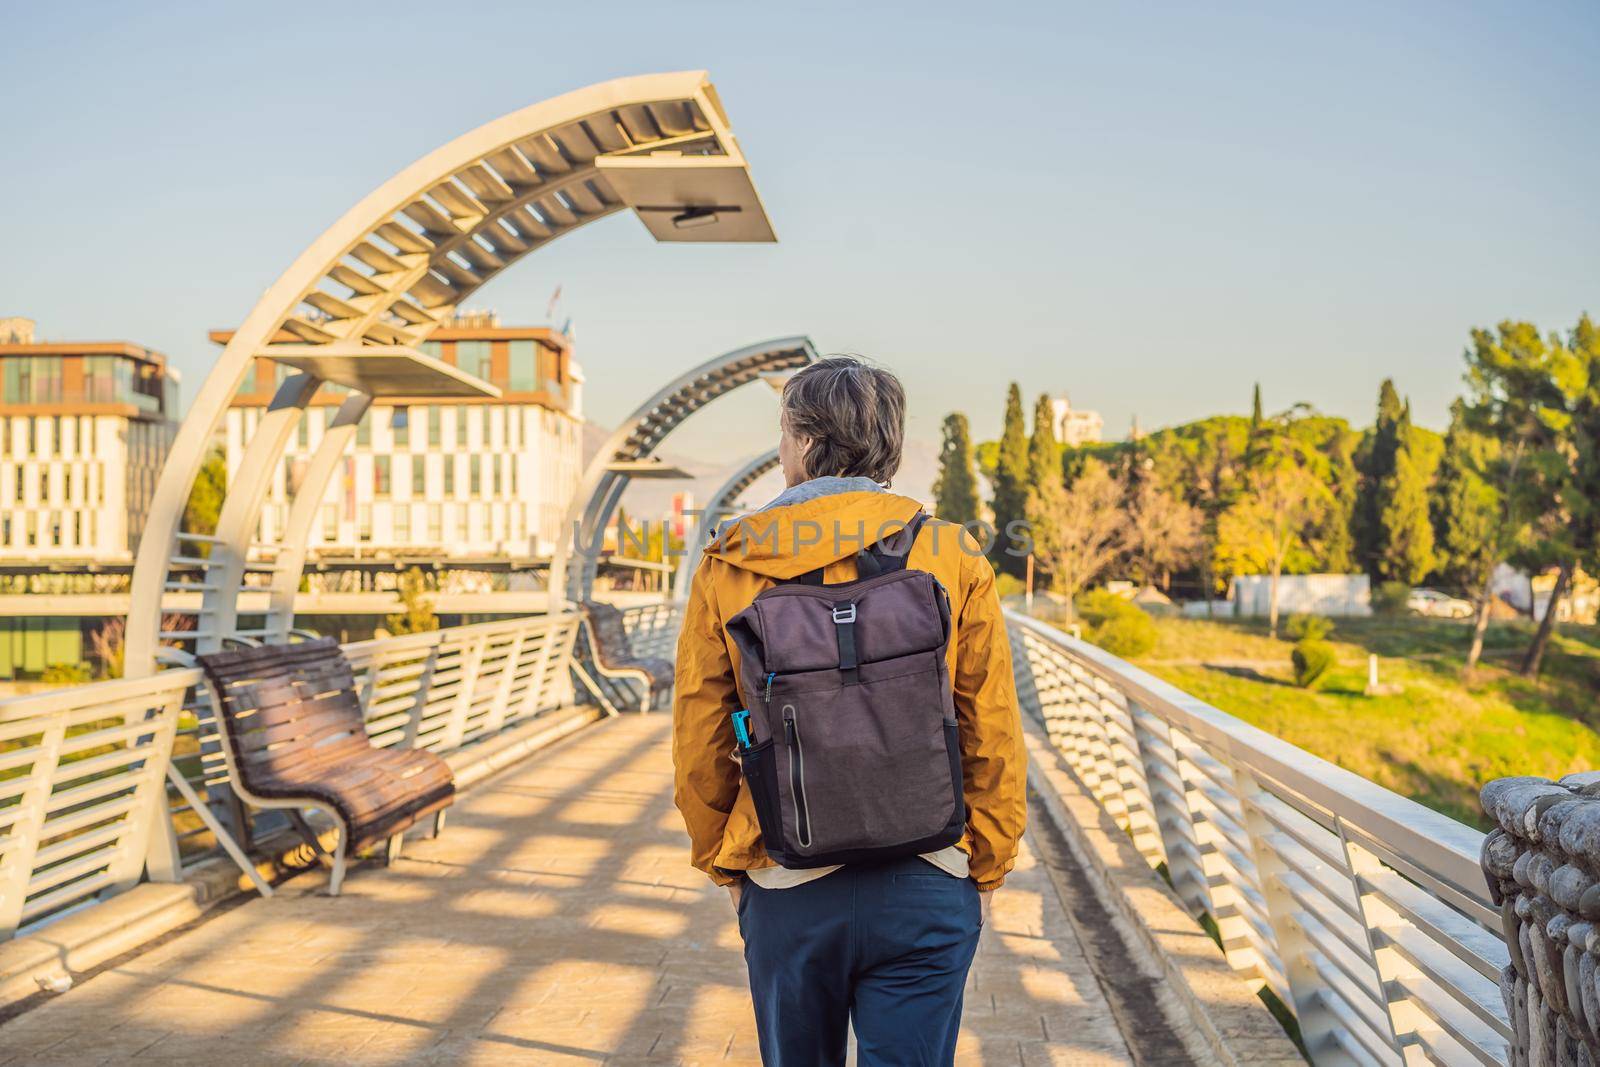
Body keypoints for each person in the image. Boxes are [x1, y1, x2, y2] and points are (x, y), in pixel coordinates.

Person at [672, 356, 1027, 1066]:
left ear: (804, 443)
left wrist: (728, 862)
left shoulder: (730, 560)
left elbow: (699, 734)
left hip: (787, 879)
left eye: (783, 432)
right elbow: (991, 726)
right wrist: (984, 864)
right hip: (927, 875)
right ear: (888, 445)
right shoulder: (950, 551)